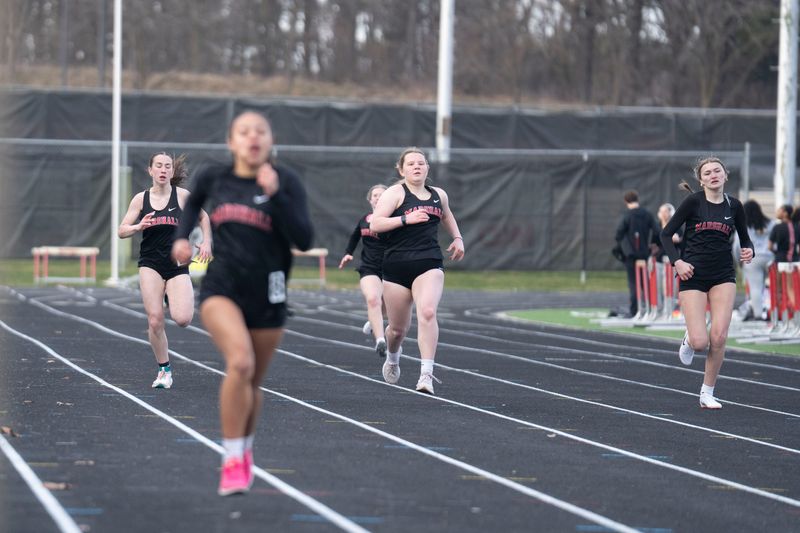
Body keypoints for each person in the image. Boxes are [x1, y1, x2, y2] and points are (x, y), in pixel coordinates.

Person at [172, 110, 313, 496]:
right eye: (244, 131)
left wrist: (276, 195)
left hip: (269, 291)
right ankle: (232, 458)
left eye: (260, 131)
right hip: (223, 286)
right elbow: (190, 208)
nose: (252, 137)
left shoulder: (286, 182)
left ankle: (244, 449)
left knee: (251, 382)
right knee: (240, 362)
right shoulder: (214, 177)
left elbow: (303, 238)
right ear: (231, 142)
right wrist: (182, 239)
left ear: (270, 141)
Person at [660, 157, 753, 410]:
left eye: (717, 171)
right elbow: (666, 235)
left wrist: (749, 251)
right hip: (693, 275)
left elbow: (745, 239)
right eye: (707, 172)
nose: (713, 175)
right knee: (701, 342)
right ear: (701, 180)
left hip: (723, 274)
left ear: (725, 175)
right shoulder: (693, 202)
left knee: (720, 336)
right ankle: (690, 338)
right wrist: (677, 263)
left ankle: (707, 392)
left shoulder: (734, 206)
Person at [369, 147, 465, 395]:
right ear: (401, 169)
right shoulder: (395, 193)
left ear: (427, 169)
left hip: (429, 262)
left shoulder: (438, 195)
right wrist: (404, 220)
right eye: (411, 164)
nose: (416, 167)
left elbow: (447, 215)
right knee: (398, 330)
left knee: (428, 311)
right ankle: (393, 356)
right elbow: (376, 223)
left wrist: (457, 237)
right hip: (396, 266)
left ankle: (426, 374)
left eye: (421, 163)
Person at [118, 152, 213, 389]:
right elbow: (121, 230)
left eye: (167, 166)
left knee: (182, 319)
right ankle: (164, 370)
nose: (163, 170)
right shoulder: (141, 199)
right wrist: (139, 225)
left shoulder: (183, 197)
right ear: (150, 170)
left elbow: (204, 218)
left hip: (177, 265)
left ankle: (172, 294)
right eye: (158, 166)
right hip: (150, 264)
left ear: (172, 172)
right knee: (155, 320)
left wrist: (208, 242)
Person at [338, 184, 389, 357]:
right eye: (375, 195)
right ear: (370, 199)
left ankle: (373, 321)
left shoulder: (394, 219)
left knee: (390, 306)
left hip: (391, 268)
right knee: (373, 299)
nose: (378, 197)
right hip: (369, 267)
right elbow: (354, 237)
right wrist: (347, 254)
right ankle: (380, 340)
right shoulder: (364, 219)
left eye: (382, 195)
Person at [614, 190, 660, 318]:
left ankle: (635, 311)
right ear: (637, 199)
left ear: (625, 201)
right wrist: (652, 245)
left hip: (631, 256)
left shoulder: (627, 216)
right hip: (645, 254)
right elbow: (657, 232)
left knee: (634, 283)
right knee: (647, 282)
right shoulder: (647, 214)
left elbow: (618, 235)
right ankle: (652, 309)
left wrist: (626, 249)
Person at [734, 200, 774, 321]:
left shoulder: (743, 225)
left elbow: (736, 245)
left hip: (752, 259)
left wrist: (739, 262)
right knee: (773, 287)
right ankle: (775, 311)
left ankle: (757, 314)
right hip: (770, 257)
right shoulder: (771, 224)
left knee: (756, 287)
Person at [653, 203, 683, 315]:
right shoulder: (656, 227)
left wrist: (676, 240)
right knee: (658, 287)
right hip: (659, 260)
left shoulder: (676, 226)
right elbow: (653, 242)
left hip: (672, 261)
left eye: (666, 211)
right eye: (662, 212)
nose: (664, 214)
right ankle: (660, 309)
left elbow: (679, 240)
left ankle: (669, 309)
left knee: (670, 287)